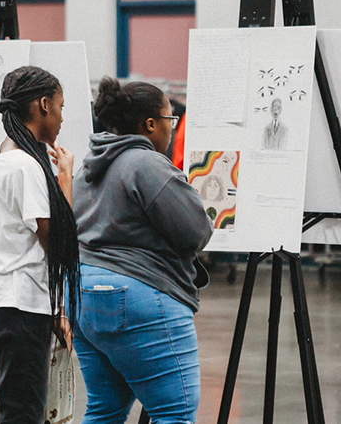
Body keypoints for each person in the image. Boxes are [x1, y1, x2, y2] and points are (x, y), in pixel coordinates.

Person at [71, 77, 213, 423]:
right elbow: (196, 230)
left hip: (82, 296)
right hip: (139, 296)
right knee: (174, 413)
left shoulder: (87, 168)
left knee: (105, 409)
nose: (172, 130)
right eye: (170, 120)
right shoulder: (147, 164)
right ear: (151, 124)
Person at [0, 66, 80, 424]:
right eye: (61, 107)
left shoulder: (8, 152)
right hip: (17, 309)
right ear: (44, 104)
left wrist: (55, 310)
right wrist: (66, 179)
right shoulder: (24, 166)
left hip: (12, 302)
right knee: (22, 416)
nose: (63, 117)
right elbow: (60, 243)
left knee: (21, 411)